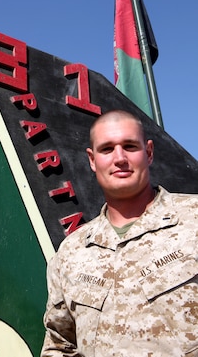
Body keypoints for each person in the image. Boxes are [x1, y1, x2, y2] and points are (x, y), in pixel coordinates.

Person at [41, 109, 197, 357]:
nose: (120, 158)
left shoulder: (193, 219)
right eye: (107, 149)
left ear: (148, 152)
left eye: (130, 146)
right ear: (92, 160)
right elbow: (60, 345)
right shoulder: (71, 253)